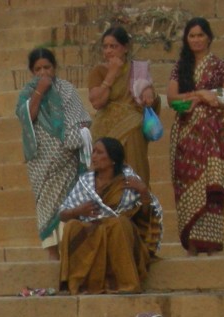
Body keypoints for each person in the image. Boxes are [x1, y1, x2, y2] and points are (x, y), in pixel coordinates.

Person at [167, 17, 224, 256]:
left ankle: (211, 246)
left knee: (211, 191)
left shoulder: (220, 65)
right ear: (187, 39)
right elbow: (172, 99)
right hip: (185, 137)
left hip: (213, 137)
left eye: (200, 35)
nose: (196, 40)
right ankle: (193, 247)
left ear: (209, 37)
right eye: (191, 36)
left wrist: (211, 96)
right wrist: (198, 94)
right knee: (187, 187)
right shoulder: (181, 66)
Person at [58, 136, 162, 294]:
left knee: (118, 223)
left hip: (120, 232)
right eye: (93, 152)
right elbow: (63, 214)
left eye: (99, 152)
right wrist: (78, 211)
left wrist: (143, 191)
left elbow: (146, 216)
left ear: (113, 159)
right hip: (92, 229)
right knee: (72, 226)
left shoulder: (129, 180)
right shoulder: (85, 182)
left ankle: (127, 283)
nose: (94, 157)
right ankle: (78, 284)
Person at [16, 47, 91, 259]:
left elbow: (80, 119)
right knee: (47, 209)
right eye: (38, 68)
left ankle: (72, 258)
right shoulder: (26, 95)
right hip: (42, 165)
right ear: (32, 71)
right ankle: (52, 258)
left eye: (47, 67)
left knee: (70, 209)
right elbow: (28, 118)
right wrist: (39, 90)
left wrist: (69, 141)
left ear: (54, 67)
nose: (43, 72)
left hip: (67, 160)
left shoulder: (66, 89)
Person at [88, 25, 160, 184]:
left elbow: (151, 102)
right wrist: (112, 73)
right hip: (106, 134)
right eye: (105, 47)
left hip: (133, 132)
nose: (108, 51)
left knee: (135, 176)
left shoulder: (138, 70)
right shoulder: (99, 71)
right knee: (107, 178)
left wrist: (150, 94)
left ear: (125, 48)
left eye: (113, 46)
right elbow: (97, 101)